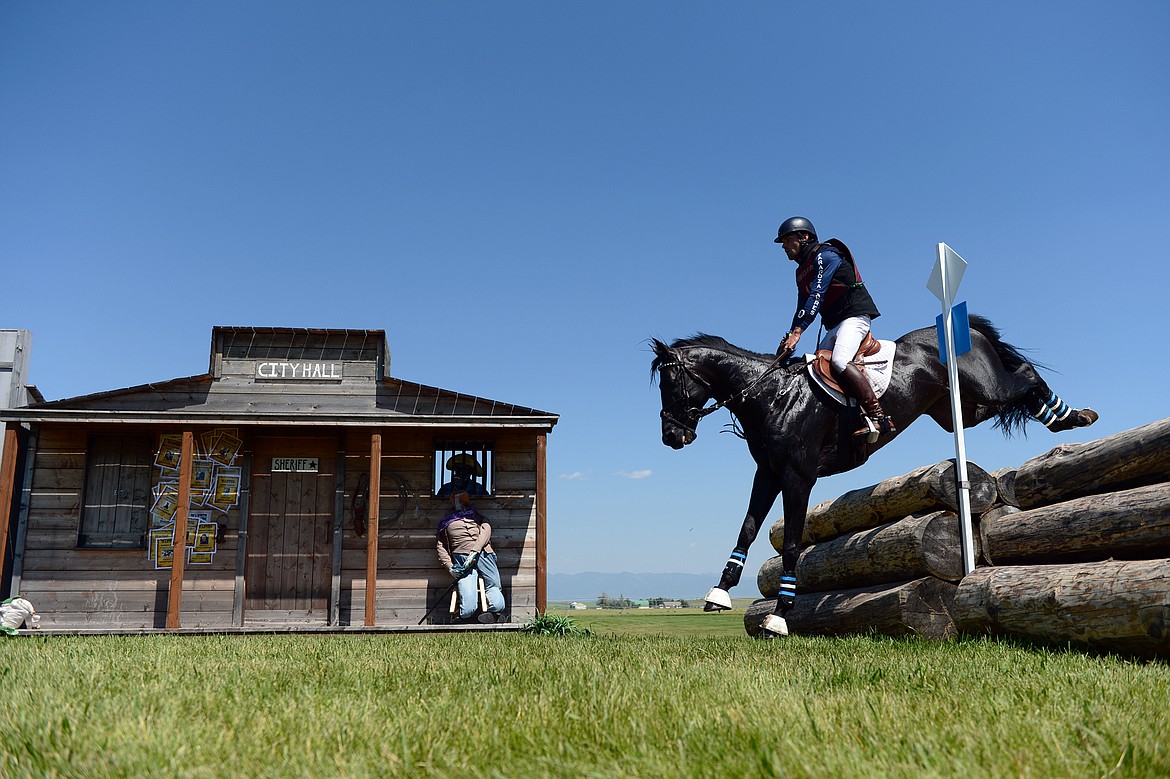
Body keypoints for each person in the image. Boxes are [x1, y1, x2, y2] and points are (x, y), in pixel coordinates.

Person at [773, 216, 896, 438]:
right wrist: (791, 334)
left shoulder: (826, 255)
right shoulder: (800, 272)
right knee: (814, 367)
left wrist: (799, 333)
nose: (783, 246)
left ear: (804, 237)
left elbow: (816, 296)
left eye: (787, 239)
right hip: (834, 326)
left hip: (855, 317)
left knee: (839, 360)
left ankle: (879, 417)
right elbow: (802, 306)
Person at [435, 491, 506, 622]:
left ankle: (496, 613)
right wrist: (450, 567)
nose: (459, 503)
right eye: (456, 500)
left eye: (461, 500)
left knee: (494, 584)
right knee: (467, 592)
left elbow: (486, 531)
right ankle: (466, 616)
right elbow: (441, 547)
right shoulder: (446, 522)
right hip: (462, 559)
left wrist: (476, 549)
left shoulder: (478, 517)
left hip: (485, 554)